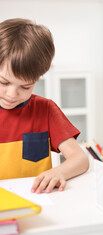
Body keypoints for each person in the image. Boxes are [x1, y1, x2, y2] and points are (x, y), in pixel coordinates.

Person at [0, 18, 89, 193]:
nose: (12, 94)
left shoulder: (46, 110)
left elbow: (80, 159)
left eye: (25, 86)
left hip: (37, 201)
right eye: (4, 82)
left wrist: (60, 171)